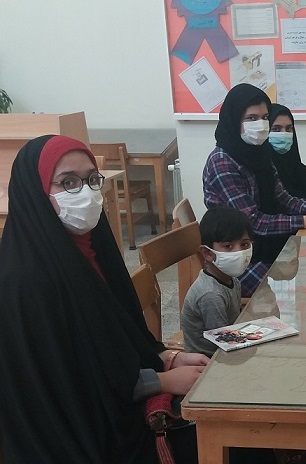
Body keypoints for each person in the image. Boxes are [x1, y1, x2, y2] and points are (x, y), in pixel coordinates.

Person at [0, 135, 210, 463]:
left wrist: (165, 357)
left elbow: (116, 336)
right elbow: (71, 384)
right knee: (229, 440)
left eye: (91, 179)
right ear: (35, 193)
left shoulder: (93, 248)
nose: (85, 192)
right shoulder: (25, 282)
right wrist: (161, 380)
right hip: (77, 436)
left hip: (119, 407)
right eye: (68, 182)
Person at [203, 83, 306, 298]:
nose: (260, 124)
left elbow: (283, 199)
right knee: (301, 290)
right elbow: (253, 222)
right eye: (251, 118)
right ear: (234, 120)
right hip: (238, 259)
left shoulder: (259, 152)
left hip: (265, 245)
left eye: (264, 117)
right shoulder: (222, 162)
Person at [182, 206, 253, 357]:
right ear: (208, 253)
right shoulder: (211, 295)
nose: (239, 252)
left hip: (227, 346)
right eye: (228, 246)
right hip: (209, 360)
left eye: (244, 244)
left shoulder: (231, 279)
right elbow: (225, 341)